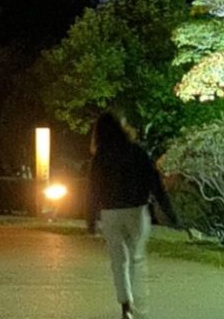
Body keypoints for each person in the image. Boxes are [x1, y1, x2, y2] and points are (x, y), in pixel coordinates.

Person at [86, 111, 178, 319]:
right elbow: (155, 183)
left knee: (118, 261)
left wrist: (91, 219)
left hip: (110, 213)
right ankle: (137, 304)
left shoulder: (100, 157)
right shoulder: (137, 151)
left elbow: (91, 189)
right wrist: (170, 213)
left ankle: (125, 305)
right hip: (136, 210)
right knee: (136, 258)